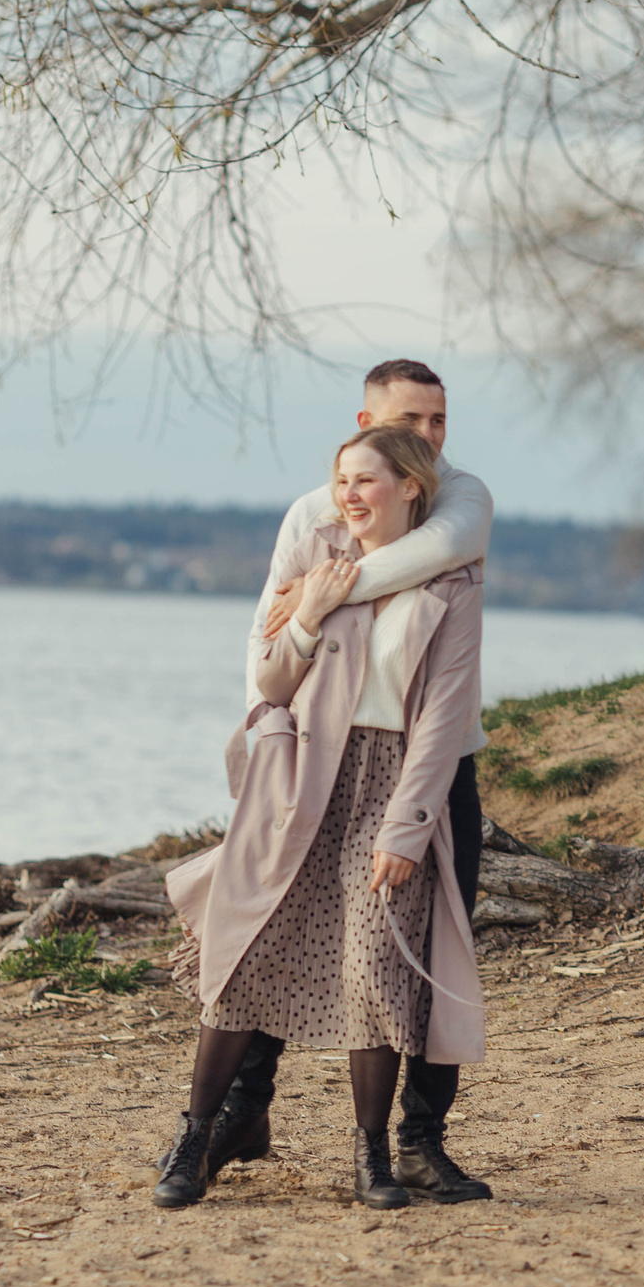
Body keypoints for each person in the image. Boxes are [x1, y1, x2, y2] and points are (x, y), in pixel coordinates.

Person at [156, 422, 488, 1209]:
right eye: (342, 480)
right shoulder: (319, 552)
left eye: (365, 480)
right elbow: (269, 678)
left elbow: (444, 719)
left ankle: (371, 1156)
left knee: (377, 964)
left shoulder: (454, 581)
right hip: (303, 779)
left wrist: (406, 827)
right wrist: (309, 613)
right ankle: (196, 1135)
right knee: (249, 951)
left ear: (410, 486)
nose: (348, 495)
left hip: (389, 784)